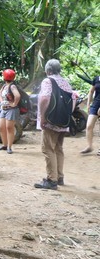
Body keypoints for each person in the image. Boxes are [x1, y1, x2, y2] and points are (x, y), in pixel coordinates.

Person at [34, 59, 76, 190]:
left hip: (51, 121)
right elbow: (73, 99)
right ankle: (59, 177)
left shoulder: (48, 81)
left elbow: (45, 98)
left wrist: (43, 117)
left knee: (47, 149)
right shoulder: (66, 82)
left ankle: (52, 180)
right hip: (63, 121)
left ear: (48, 70)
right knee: (58, 148)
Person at [0, 69, 21, 154]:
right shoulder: (4, 86)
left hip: (11, 110)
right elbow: (0, 93)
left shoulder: (12, 86)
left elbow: (17, 96)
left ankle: (9, 147)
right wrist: (2, 102)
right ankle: (4, 145)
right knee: (1, 127)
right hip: (4, 108)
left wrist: (14, 104)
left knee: (9, 128)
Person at [80, 76, 100, 154]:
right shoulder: (96, 78)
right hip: (95, 104)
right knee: (89, 126)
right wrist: (88, 104)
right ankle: (90, 146)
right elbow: (91, 91)